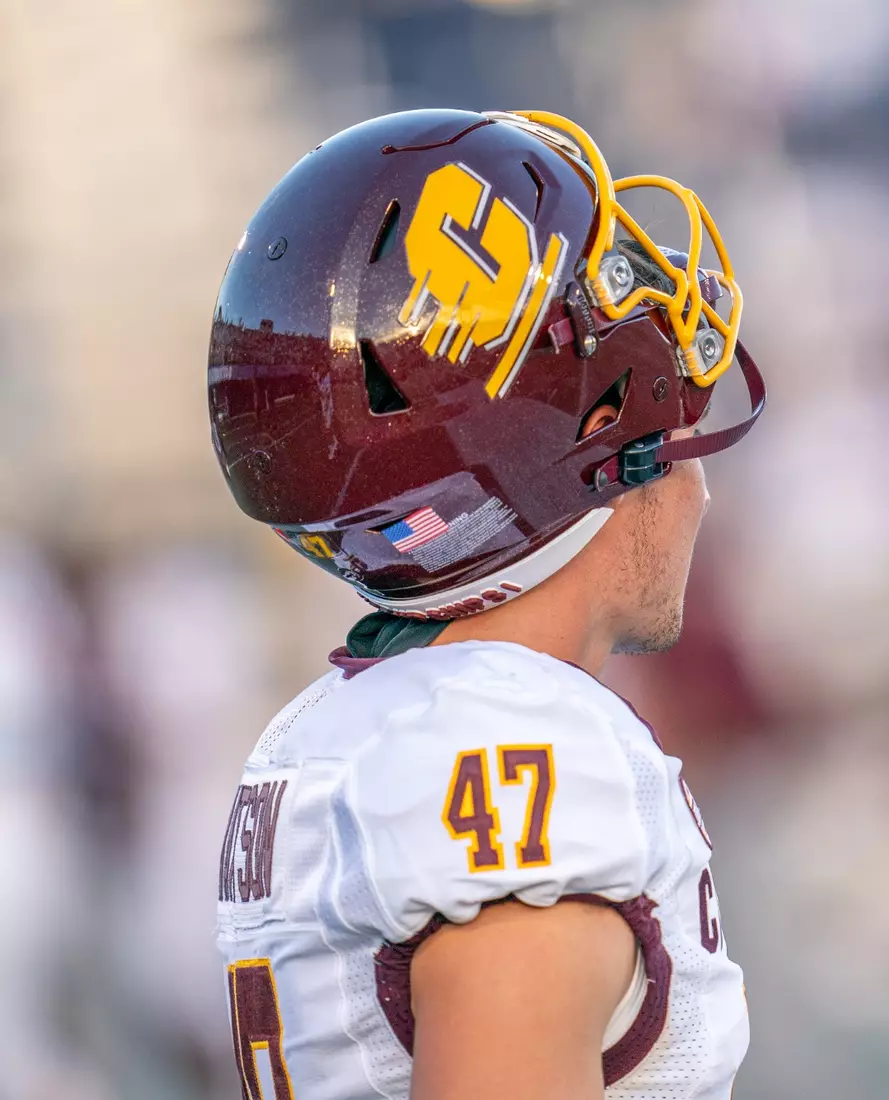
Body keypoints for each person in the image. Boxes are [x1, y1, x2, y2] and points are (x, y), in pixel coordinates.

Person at [207, 108, 765, 1100]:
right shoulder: (521, 747)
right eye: (679, 398)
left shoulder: (358, 726)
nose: (700, 476)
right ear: (596, 431)